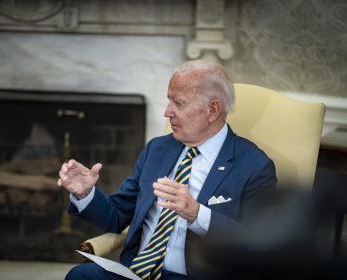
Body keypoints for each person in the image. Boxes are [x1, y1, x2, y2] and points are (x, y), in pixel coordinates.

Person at [58, 60, 277, 279]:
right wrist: (85, 194)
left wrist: (197, 213)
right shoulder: (157, 149)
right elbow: (118, 215)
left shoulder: (254, 166)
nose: (167, 112)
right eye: (168, 101)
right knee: (82, 275)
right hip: (136, 273)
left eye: (179, 104)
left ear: (212, 110)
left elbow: (256, 243)